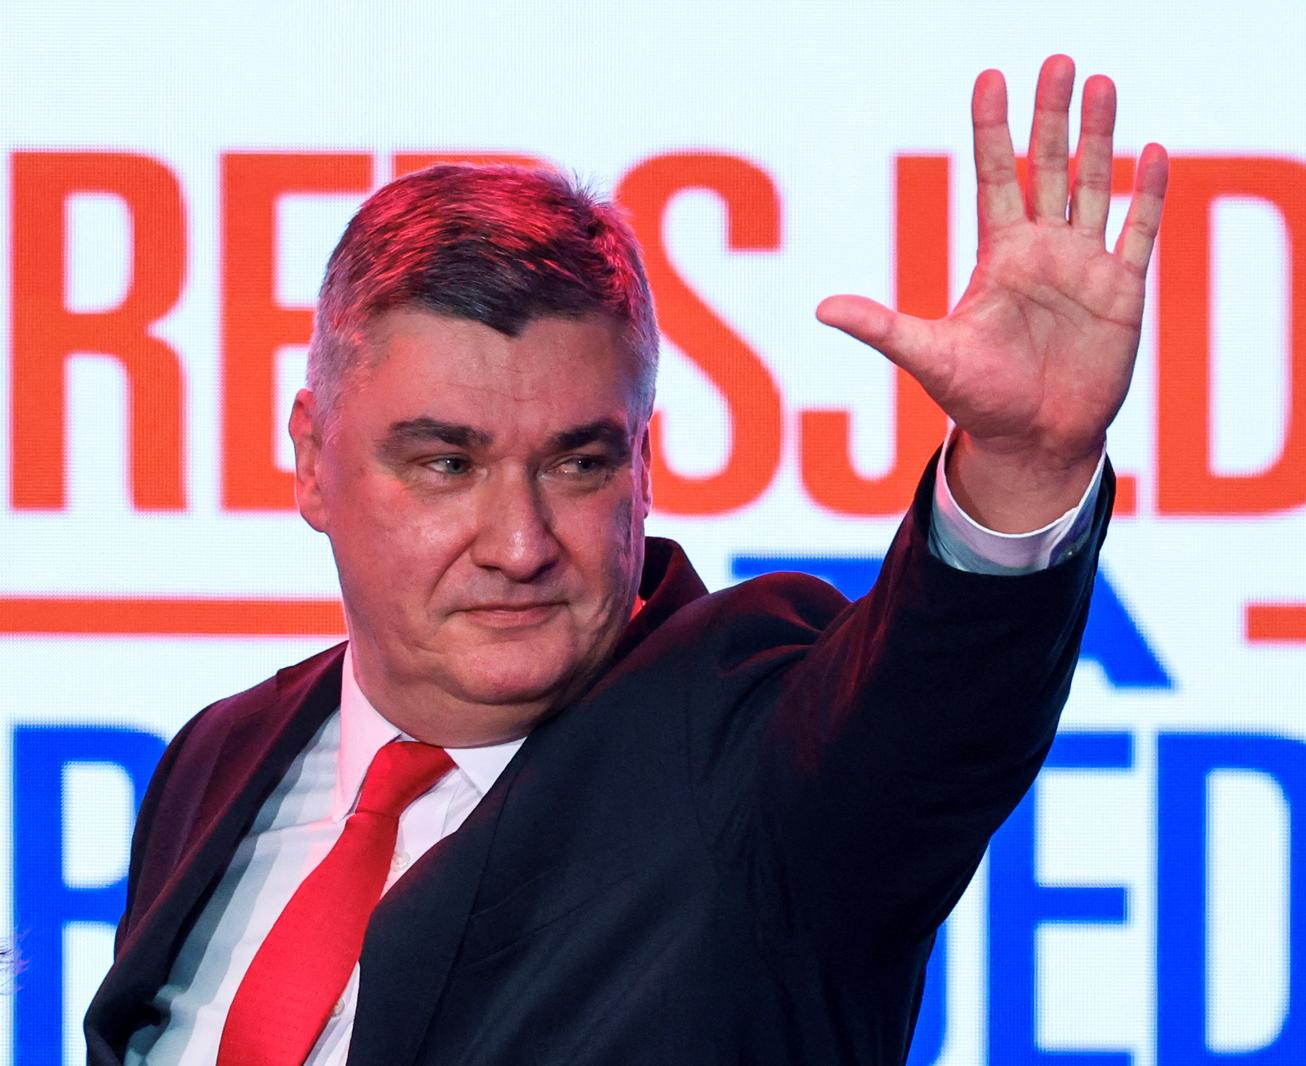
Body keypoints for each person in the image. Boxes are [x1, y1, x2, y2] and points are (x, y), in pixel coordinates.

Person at [84, 54, 1167, 1065]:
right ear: (312, 461)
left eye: (578, 463)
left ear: (642, 463)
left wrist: (1023, 464)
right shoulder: (216, 759)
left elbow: (929, 716)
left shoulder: (745, 743)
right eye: (447, 463)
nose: (519, 544)